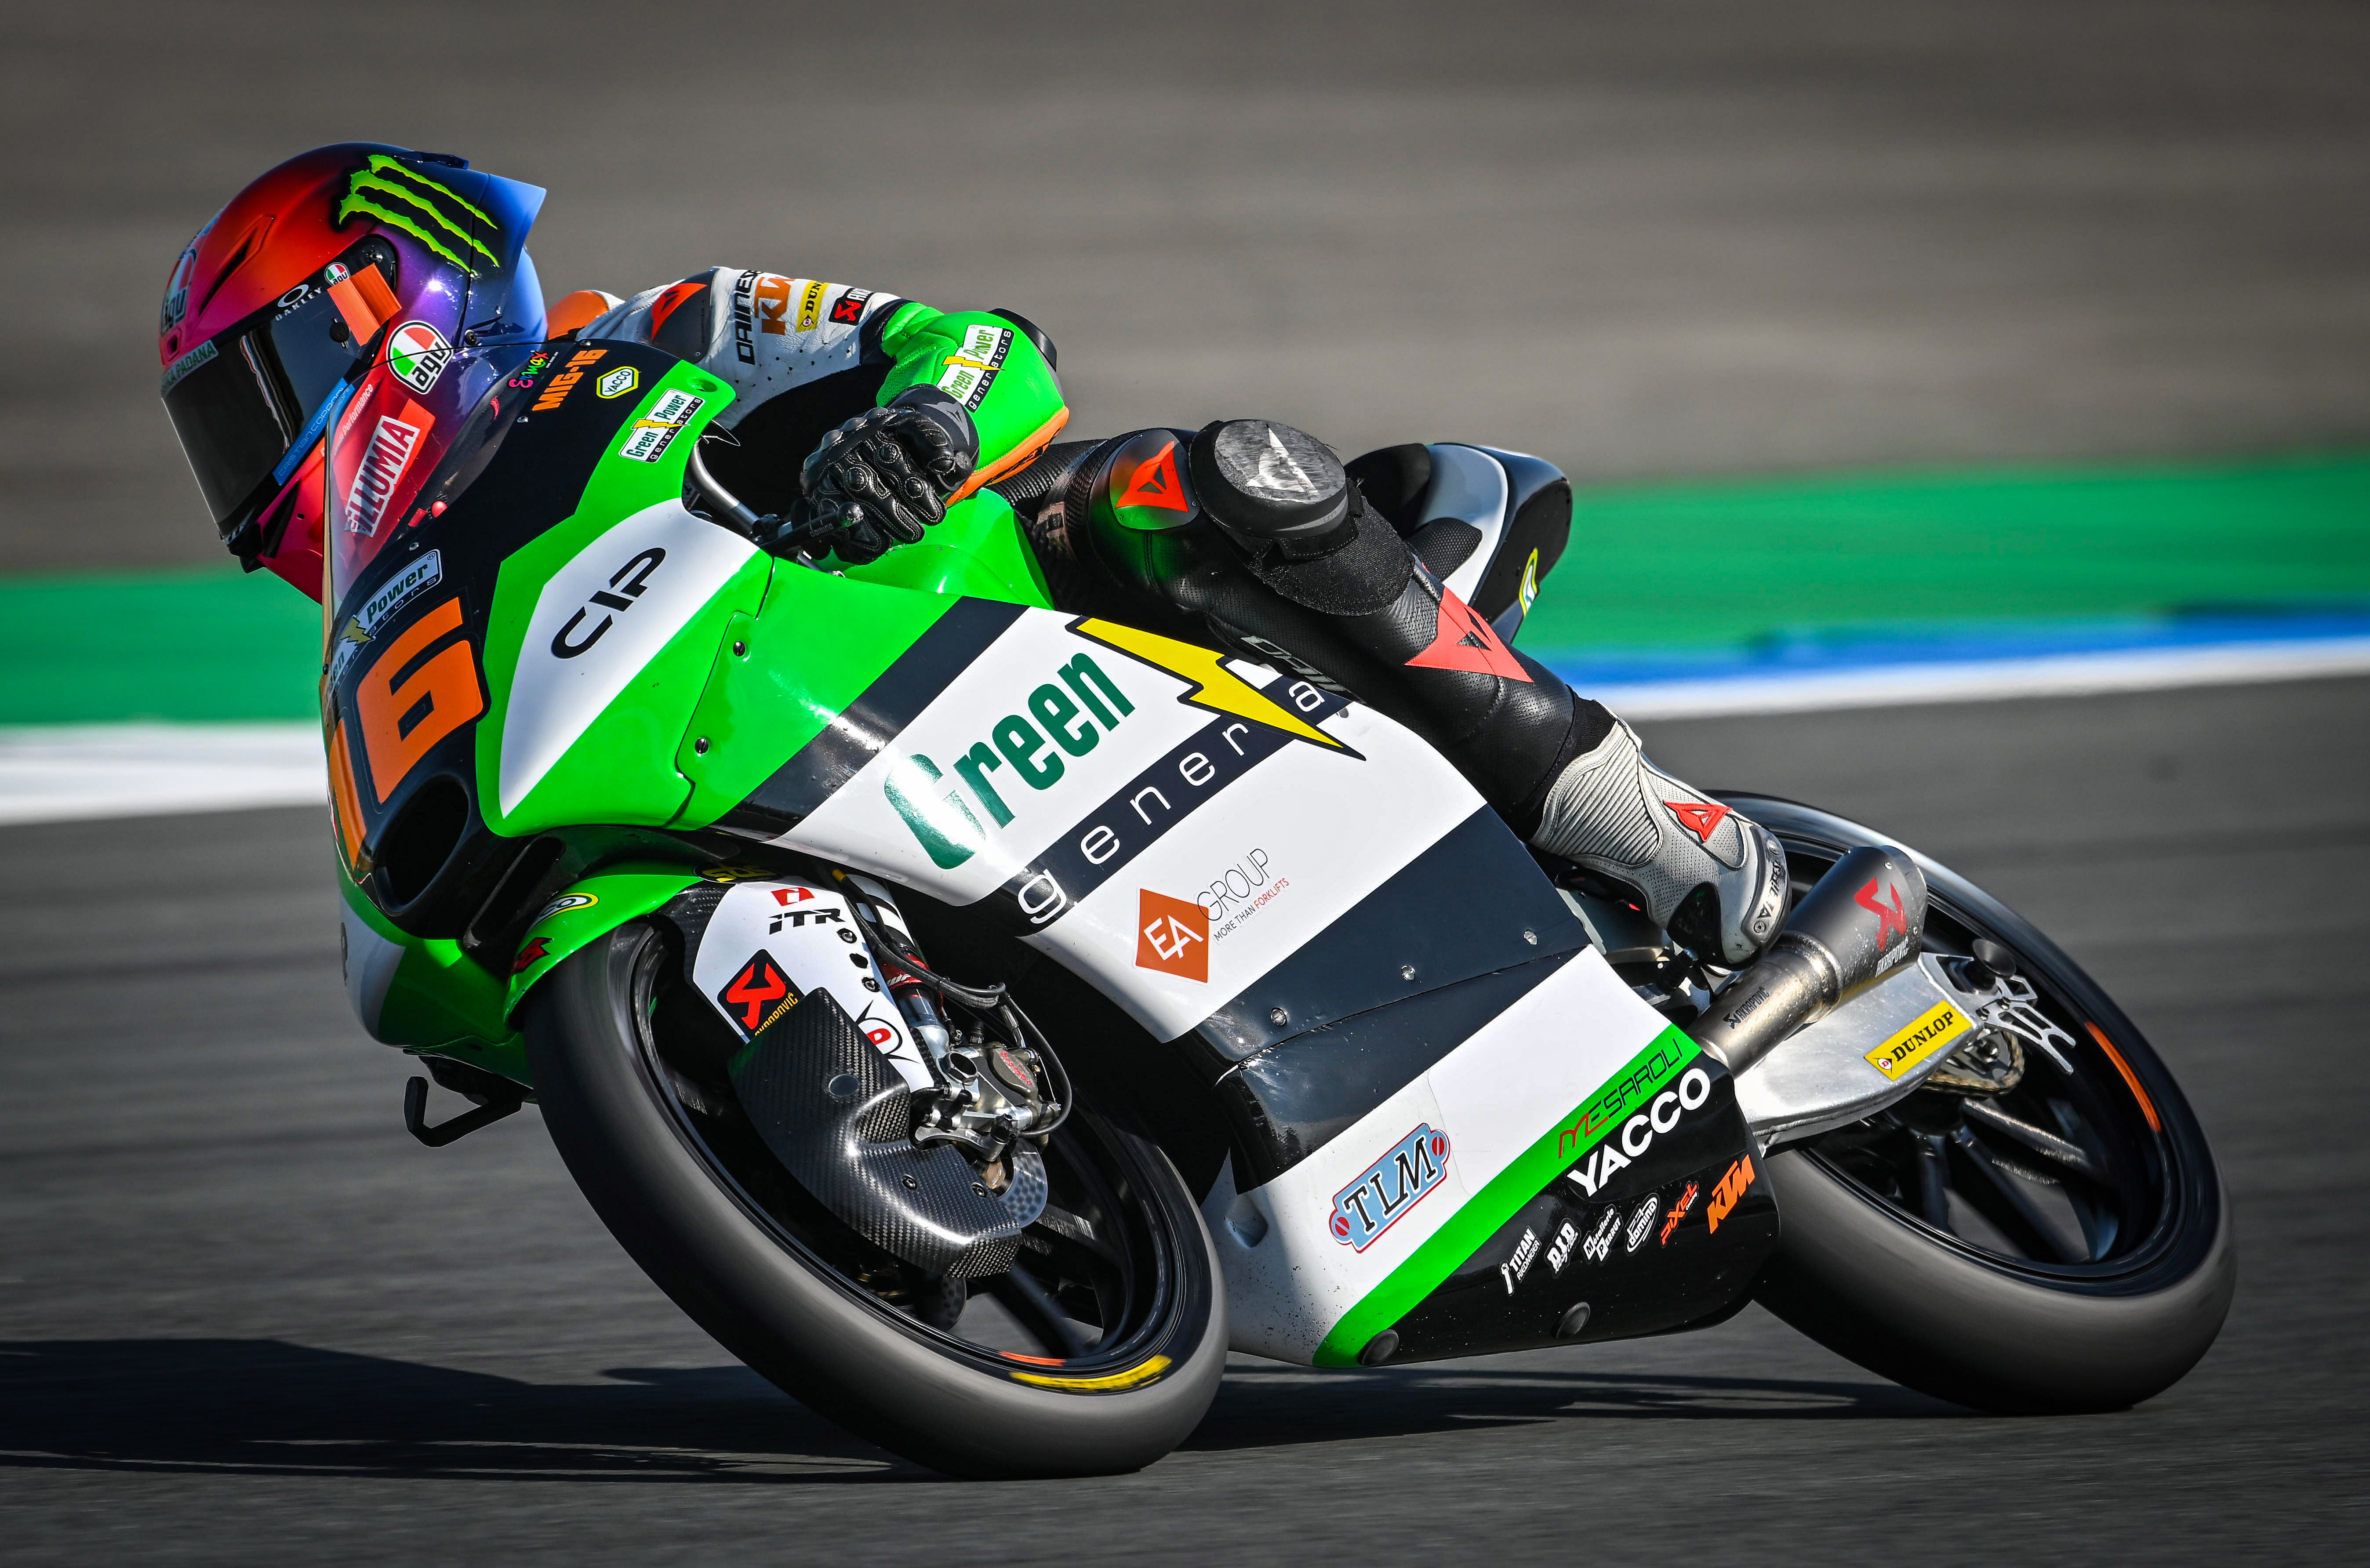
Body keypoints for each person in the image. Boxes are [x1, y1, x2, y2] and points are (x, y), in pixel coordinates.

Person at [158, 143, 1785, 965]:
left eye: (247, 408)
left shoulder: (658, 329)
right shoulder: (434, 602)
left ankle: (1645, 821)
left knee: (1183, 484)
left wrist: (922, 430)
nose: (246, 483)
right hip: (857, 767)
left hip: (1018, 610)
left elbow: (984, 344)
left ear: (382, 293)